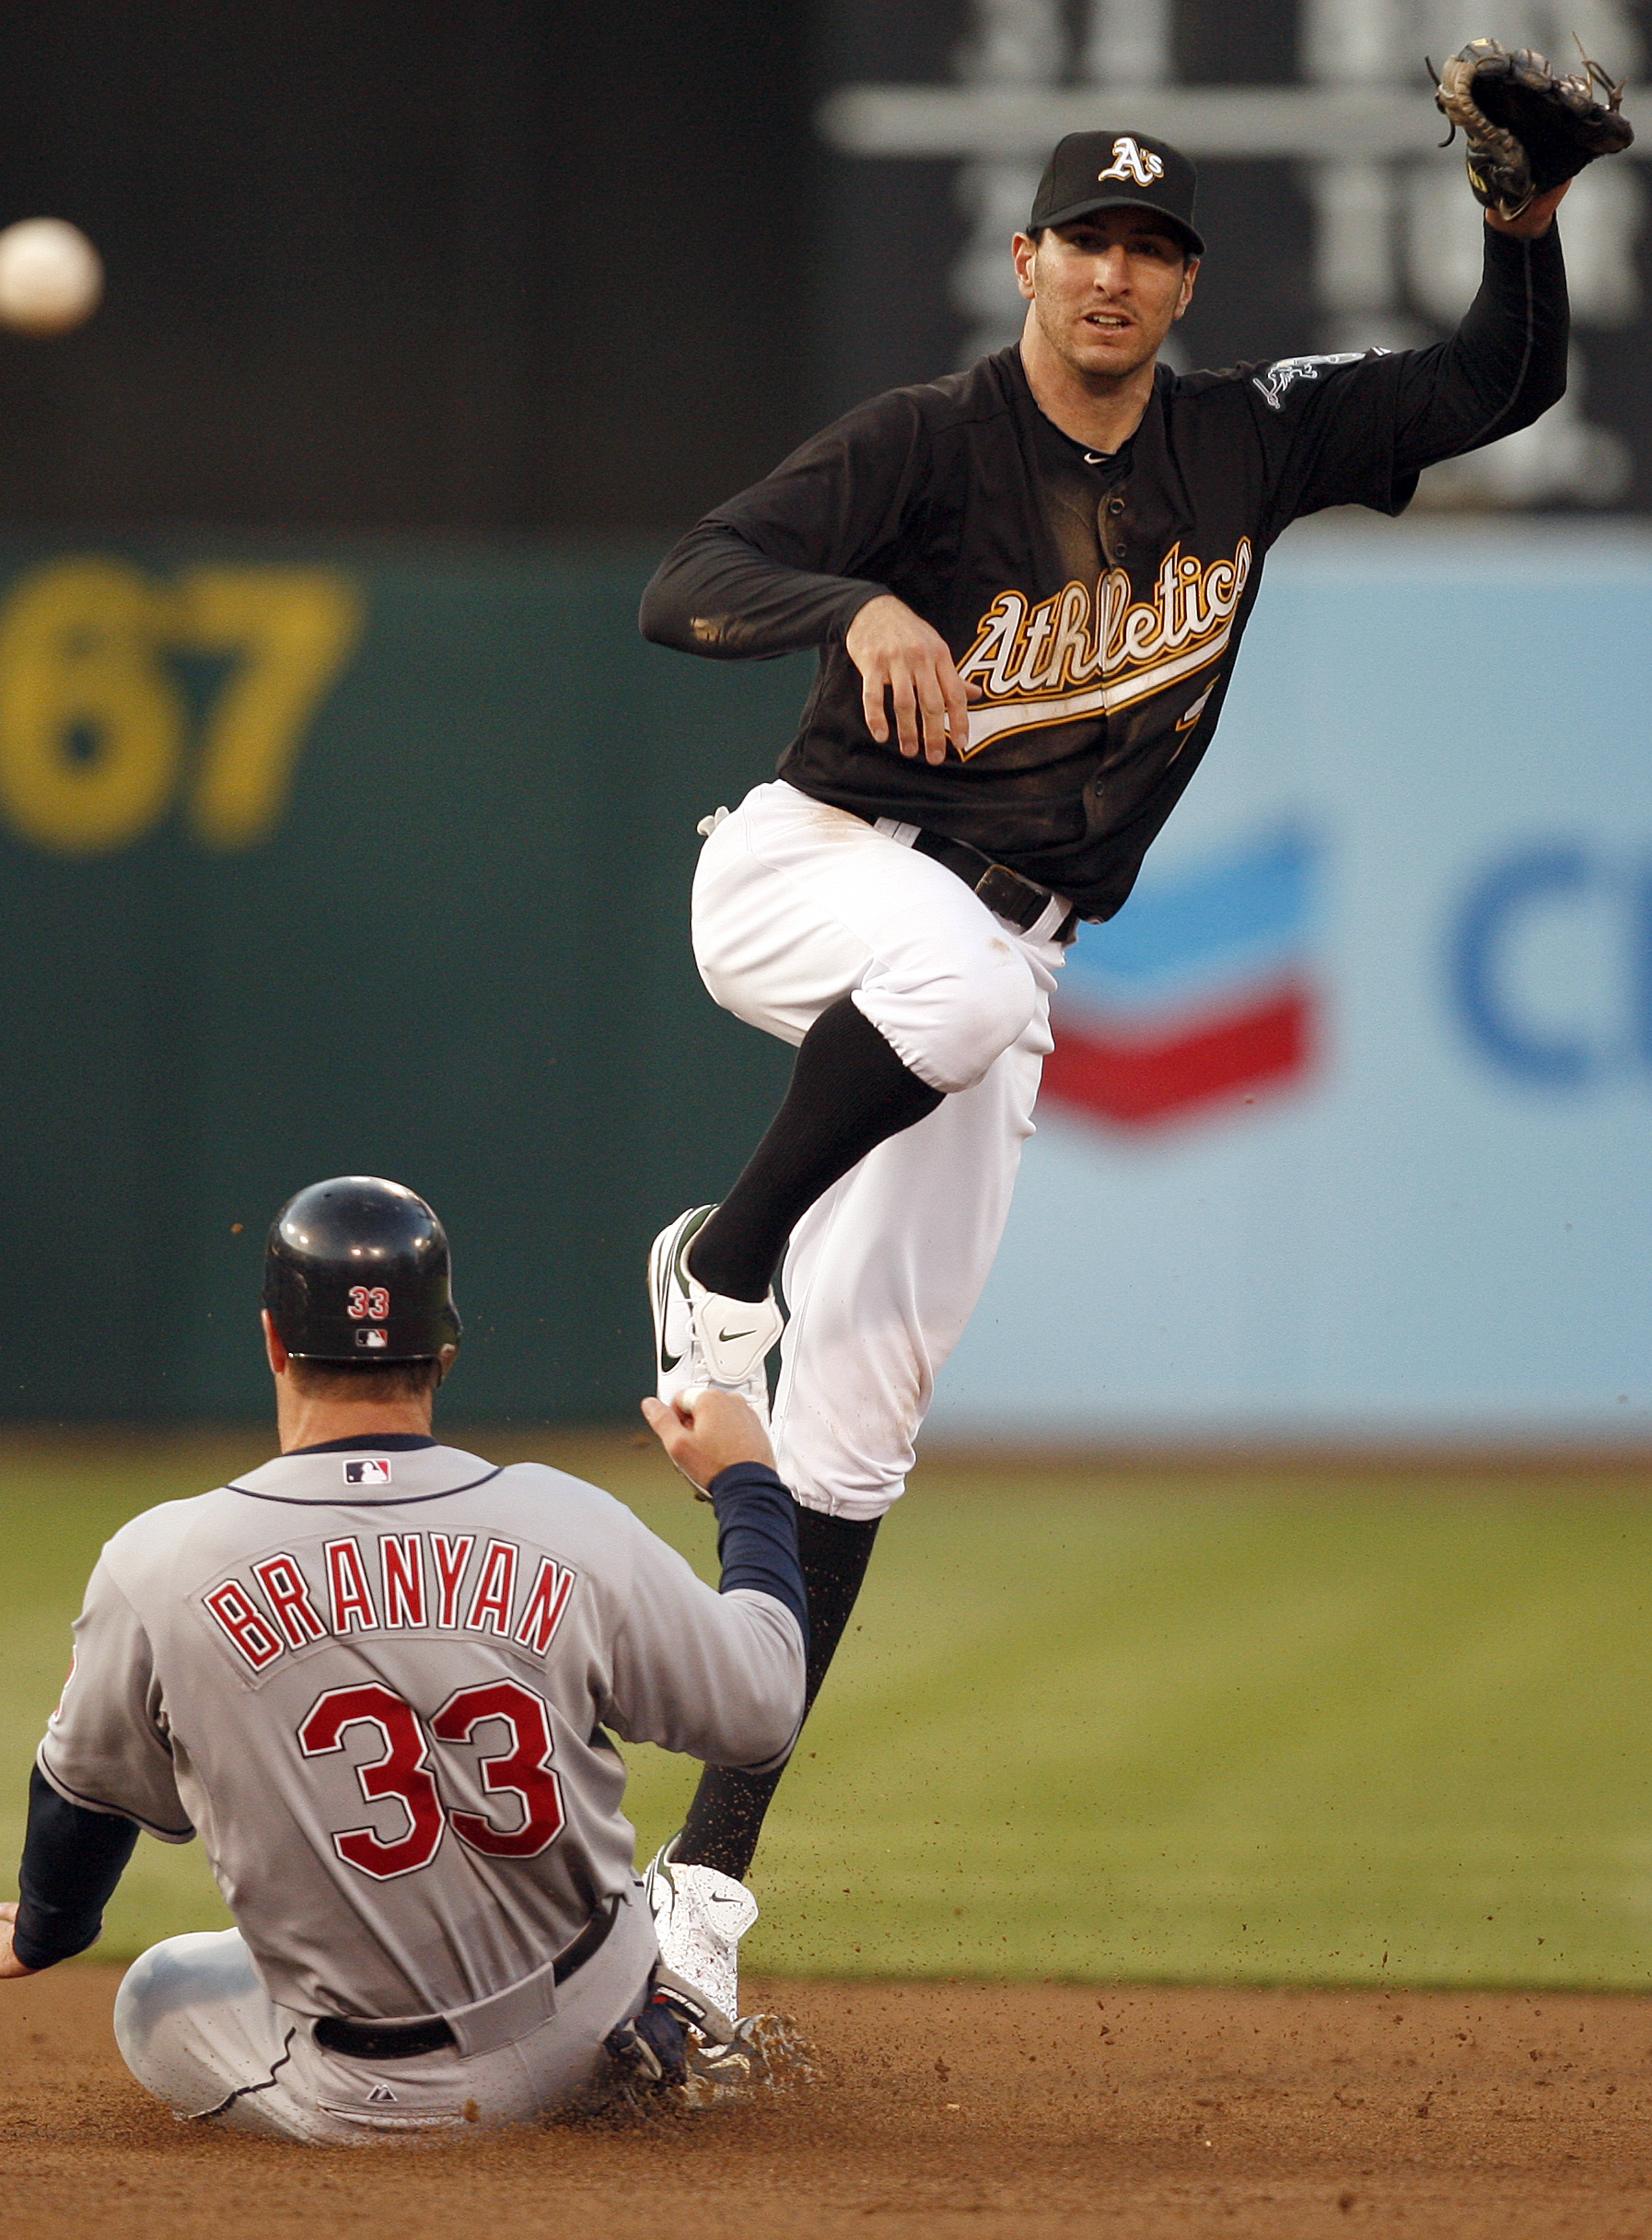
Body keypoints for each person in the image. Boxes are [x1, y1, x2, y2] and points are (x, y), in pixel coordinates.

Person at [635, 120, 1584, 2013]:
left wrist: (1522, 222)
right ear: (1023, 256)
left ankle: (695, 1908)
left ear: (1184, 283)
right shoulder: (926, 440)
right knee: (963, 995)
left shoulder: (1242, 440)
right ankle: (724, 1266)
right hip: (808, 873)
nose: (1113, 273)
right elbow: (688, 580)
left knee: (859, 1437)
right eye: (1086, 237)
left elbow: (1500, 379)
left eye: (1150, 246)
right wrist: (858, 603)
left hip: (993, 956)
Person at [0, 1175, 806, 2141]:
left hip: (383, 2093)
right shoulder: (569, 1519)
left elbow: (84, 1799)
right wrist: (747, 1483)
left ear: (272, 1340)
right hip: (589, 2012)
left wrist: (47, 1927)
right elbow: (764, 1705)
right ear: (443, 1349)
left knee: (156, 1989)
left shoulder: (160, 1561)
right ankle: (651, 2011)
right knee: (597, 1914)